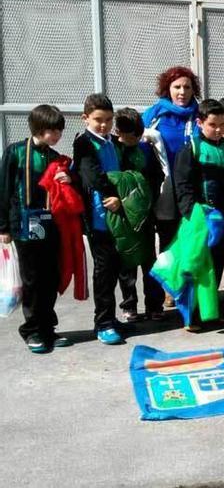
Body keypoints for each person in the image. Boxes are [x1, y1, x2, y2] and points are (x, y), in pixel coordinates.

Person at [0, 105, 68, 353]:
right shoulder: (16, 152)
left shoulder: (54, 157)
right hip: (23, 225)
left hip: (49, 224)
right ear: (39, 128)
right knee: (32, 279)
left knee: (51, 277)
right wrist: (3, 226)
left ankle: (48, 328)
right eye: (52, 130)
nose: (57, 135)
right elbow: (4, 189)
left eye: (59, 130)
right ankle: (31, 330)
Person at [174, 99, 224, 313]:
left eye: (221, 125)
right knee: (199, 266)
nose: (218, 130)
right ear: (200, 123)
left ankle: (215, 309)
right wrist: (193, 214)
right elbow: (183, 185)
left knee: (219, 264)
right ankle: (193, 314)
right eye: (212, 125)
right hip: (202, 218)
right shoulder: (191, 149)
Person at [74, 94, 126, 345]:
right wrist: (112, 195)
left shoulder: (111, 141)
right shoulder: (84, 143)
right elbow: (92, 175)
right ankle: (103, 323)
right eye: (98, 120)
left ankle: (110, 317)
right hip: (99, 217)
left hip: (116, 216)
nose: (103, 125)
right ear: (86, 118)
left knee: (114, 269)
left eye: (108, 120)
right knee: (104, 272)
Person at [141, 66, 201, 279]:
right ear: (168, 89)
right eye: (177, 87)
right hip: (164, 187)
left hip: (191, 187)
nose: (182, 92)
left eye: (187, 87)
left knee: (189, 236)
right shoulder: (154, 114)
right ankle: (169, 284)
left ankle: (187, 283)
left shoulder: (199, 115)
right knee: (167, 237)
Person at [113, 108, 166, 322]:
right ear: (120, 132)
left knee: (149, 261)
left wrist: (146, 197)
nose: (134, 139)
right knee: (127, 263)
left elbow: (158, 175)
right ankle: (129, 305)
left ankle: (154, 304)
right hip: (123, 216)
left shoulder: (145, 149)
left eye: (137, 135)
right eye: (129, 135)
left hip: (145, 214)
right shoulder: (115, 150)